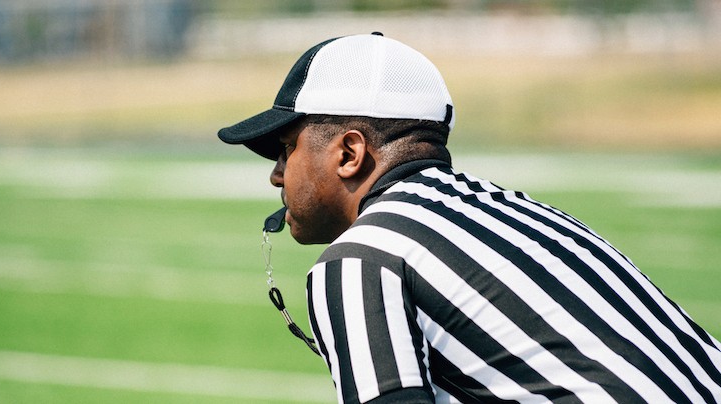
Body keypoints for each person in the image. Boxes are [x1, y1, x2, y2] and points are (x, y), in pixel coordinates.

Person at [218, 33, 721, 403]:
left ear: (350, 153)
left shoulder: (359, 259)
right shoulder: (520, 212)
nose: (277, 177)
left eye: (287, 149)